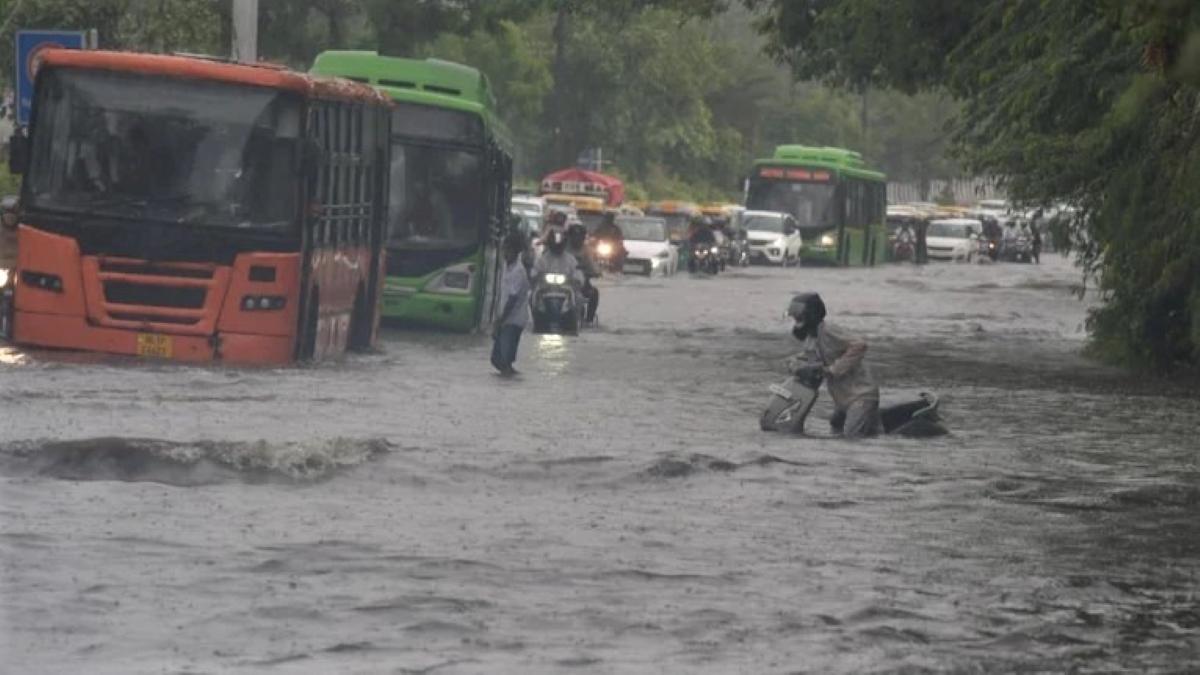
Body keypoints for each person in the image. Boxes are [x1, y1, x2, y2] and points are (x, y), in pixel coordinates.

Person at [788, 292, 881, 438]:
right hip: (842, 398)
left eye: (799, 317)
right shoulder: (812, 338)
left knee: (852, 437)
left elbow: (860, 344)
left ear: (811, 315)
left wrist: (835, 369)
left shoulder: (829, 330)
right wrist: (795, 366)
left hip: (860, 395)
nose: (797, 322)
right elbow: (808, 358)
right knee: (836, 426)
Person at [491, 232, 530, 376]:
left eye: (508, 250)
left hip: (513, 321)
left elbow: (512, 299)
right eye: (504, 250)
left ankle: (511, 381)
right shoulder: (507, 268)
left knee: (504, 360)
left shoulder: (518, 271)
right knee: (496, 360)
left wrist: (500, 321)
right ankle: (512, 380)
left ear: (516, 251)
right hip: (505, 319)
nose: (505, 253)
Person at [566, 222, 600, 323]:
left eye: (579, 236)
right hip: (562, 281)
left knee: (594, 293)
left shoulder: (587, 250)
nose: (576, 239)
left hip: (581, 281)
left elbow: (592, 264)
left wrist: (596, 272)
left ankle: (589, 320)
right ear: (569, 236)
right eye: (574, 236)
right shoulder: (563, 248)